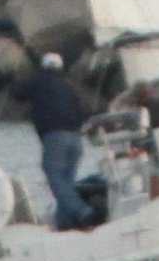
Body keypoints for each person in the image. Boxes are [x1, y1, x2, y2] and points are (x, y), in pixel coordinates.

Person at [12, 53, 96, 229]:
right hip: (76, 138)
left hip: (55, 137)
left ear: (43, 67)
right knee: (67, 183)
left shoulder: (39, 80)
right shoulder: (69, 85)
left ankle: (84, 212)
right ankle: (65, 223)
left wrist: (14, 79)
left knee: (55, 177)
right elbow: (84, 111)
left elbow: (17, 93)